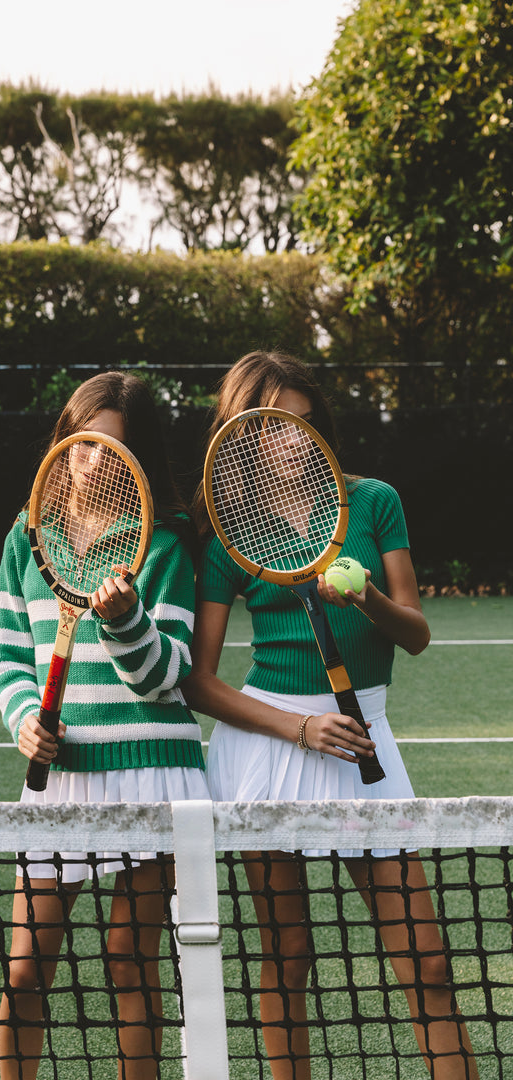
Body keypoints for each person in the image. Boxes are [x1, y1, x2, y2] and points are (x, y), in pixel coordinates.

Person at [182, 351, 479, 1080]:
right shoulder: (227, 534)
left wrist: (369, 597)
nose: (293, 440)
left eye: (304, 425)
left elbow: (415, 635)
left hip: (366, 742)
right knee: (287, 958)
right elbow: (198, 682)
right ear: (245, 434)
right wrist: (300, 729)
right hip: (269, 749)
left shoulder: (374, 501)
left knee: (428, 960)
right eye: (275, 427)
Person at [0, 371, 207, 1080]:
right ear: (64, 443)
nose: (94, 461)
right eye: (83, 444)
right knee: (24, 970)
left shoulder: (168, 542)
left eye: (113, 449)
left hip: (152, 771)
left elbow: (163, 676)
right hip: (59, 784)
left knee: (129, 962)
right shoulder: (26, 540)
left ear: (138, 459)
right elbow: (10, 659)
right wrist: (27, 721)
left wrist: (124, 621)